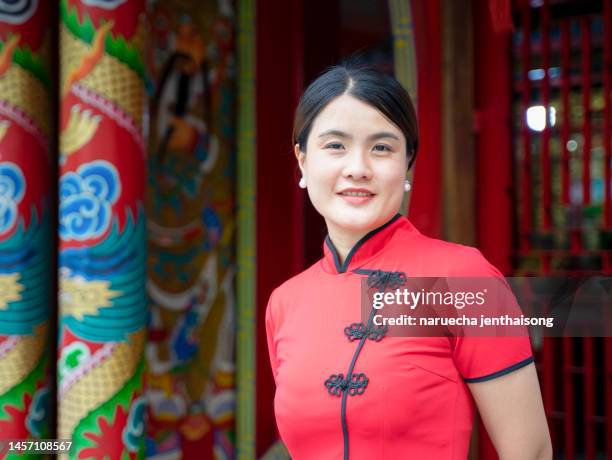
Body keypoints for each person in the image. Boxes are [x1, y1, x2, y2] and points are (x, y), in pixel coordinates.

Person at [265, 64, 552, 459]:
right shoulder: (285, 302)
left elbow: (530, 452)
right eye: (335, 146)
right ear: (302, 160)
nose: (358, 169)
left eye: (381, 148)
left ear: (407, 164)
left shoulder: (461, 280)